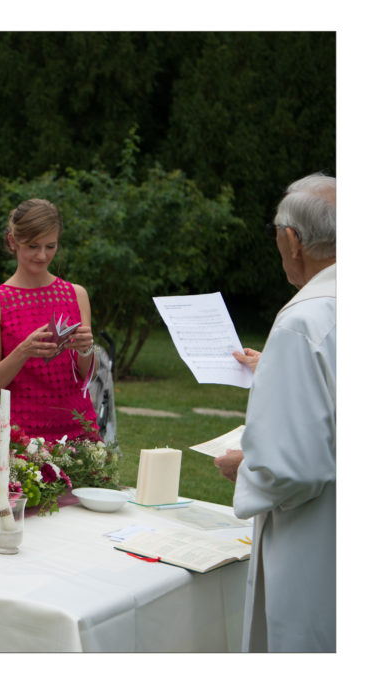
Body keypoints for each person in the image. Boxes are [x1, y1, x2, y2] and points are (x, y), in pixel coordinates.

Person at [223, 173, 336, 652]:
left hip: (317, 544)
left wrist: (246, 467)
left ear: (291, 241)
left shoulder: (302, 322)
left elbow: (291, 470)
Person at [0, 199, 100, 442]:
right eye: (33, 246)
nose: (42, 255)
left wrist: (86, 349)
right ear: (13, 242)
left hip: (79, 426)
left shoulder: (76, 294)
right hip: (24, 435)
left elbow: (88, 376)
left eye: (50, 246)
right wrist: (23, 351)